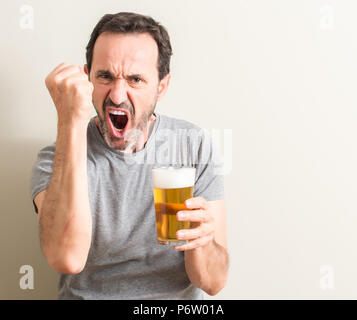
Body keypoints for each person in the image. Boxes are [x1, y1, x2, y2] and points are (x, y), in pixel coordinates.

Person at [30, 12, 229, 300]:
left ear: (161, 86)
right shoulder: (55, 159)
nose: (118, 95)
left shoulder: (193, 145)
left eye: (135, 79)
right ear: (88, 79)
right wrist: (69, 121)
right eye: (105, 76)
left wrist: (202, 241)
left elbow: (213, 283)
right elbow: (67, 259)